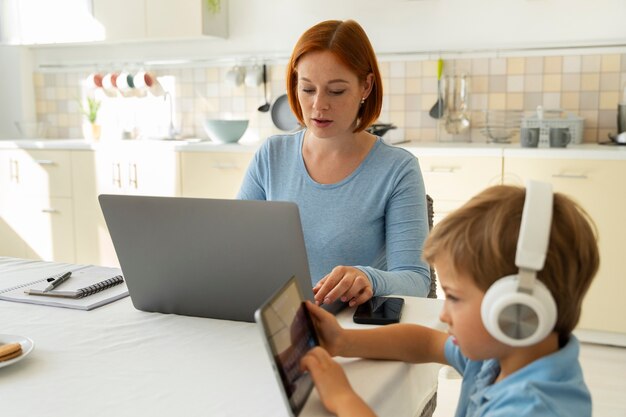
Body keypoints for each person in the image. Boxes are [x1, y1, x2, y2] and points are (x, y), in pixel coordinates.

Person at [300, 183, 600, 417]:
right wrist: (343, 341)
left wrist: (343, 399)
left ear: (514, 307)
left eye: (454, 298)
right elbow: (425, 343)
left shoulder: (532, 409)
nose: (443, 315)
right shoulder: (501, 355)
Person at [237, 19, 431, 307]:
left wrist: (368, 278)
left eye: (336, 91)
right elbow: (236, 248)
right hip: (281, 323)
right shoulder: (271, 155)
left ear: (365, 86)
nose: (318, 106)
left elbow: (416, 280)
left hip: (351, 332)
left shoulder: (398, 169)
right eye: (307, 89)